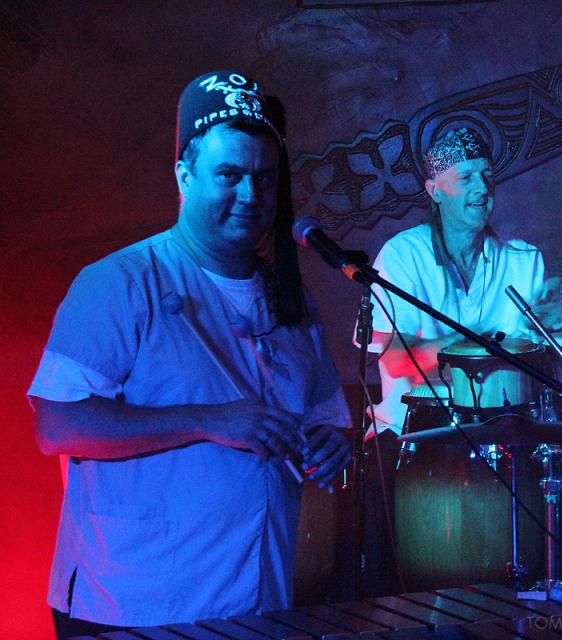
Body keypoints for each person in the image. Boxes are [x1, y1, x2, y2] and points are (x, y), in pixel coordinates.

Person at [29, 70, 352, 638]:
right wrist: (206, 420)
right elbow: (59, 427)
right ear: (184, 175)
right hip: (135, 606)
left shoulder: (291, 298)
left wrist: (331, 441)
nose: (250, 196)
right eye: (229, 175)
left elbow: (325, 414)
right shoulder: (119, 282)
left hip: (258, 601)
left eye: (265, 179)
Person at [361, 126, 562, 597]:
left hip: (504, 435)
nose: (482, 188)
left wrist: (544, 332)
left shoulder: (523, 259)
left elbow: (536, 366)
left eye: (488, 176)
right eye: (467, 177)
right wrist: (481, 342)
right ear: (434, 191)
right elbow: (395, 362)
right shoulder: (402, 256)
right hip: (413, 436)